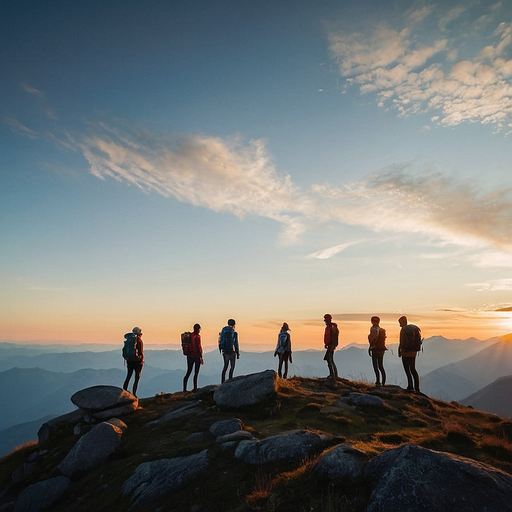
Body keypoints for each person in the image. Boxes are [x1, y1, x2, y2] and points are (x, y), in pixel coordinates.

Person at [398, 315, 422, 393]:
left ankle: (410, 386)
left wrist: (401, 350)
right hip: (413, 352)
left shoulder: (403, 330)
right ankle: (417, 388)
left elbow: (402, 342)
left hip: (405, 352)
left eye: (400, 323)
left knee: (407, 370)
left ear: (402, 322)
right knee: (413, 369)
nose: (399, 325)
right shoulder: (413, 328)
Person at [123, 326, 144, 397]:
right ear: (139, 334)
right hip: (138, 362)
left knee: (128, 376)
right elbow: (140, 352)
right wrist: (141, 360)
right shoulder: (139, 341)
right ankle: (134, 394)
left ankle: (124, 391)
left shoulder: (130, 340)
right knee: (137, 378)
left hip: (129, 361)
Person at [183, 323, 203, 392]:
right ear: (198, 329)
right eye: (199, 329)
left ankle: (184, 389)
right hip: (196, 356)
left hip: (189, 356)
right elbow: (198, 347)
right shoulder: (197, 337)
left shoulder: (190, 335)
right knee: (196, 373)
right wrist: (201, 357)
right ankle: (195, 388)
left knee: (188, 372)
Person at [368, 316, 387, 387]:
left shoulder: (373, 329)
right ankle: (383, 382)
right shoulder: (381, 329)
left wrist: (371, 345)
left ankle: (378, 381)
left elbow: (372, 338)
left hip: (375, 349)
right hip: (381, 349)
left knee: (375, 366)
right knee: (381, 366)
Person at [219, 318, 239, 383]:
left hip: (225, 352)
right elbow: (236, 343)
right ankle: (230, 381)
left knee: (225, 367)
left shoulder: (223, 331)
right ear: (234, 325)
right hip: (232, 352)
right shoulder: (234, 333)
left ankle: (222, 382)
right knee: (232, 367)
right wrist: (237, 353)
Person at [323, 314, 339, 383]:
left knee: (330, 360)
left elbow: (333, 337)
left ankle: (333, 375)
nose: (325, 322)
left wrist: (331, 344)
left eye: (326, 320)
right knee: (329, 359)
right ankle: (333, 375)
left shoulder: (331, 327)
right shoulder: (331, 327)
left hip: (331, 345)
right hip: (330, 345)